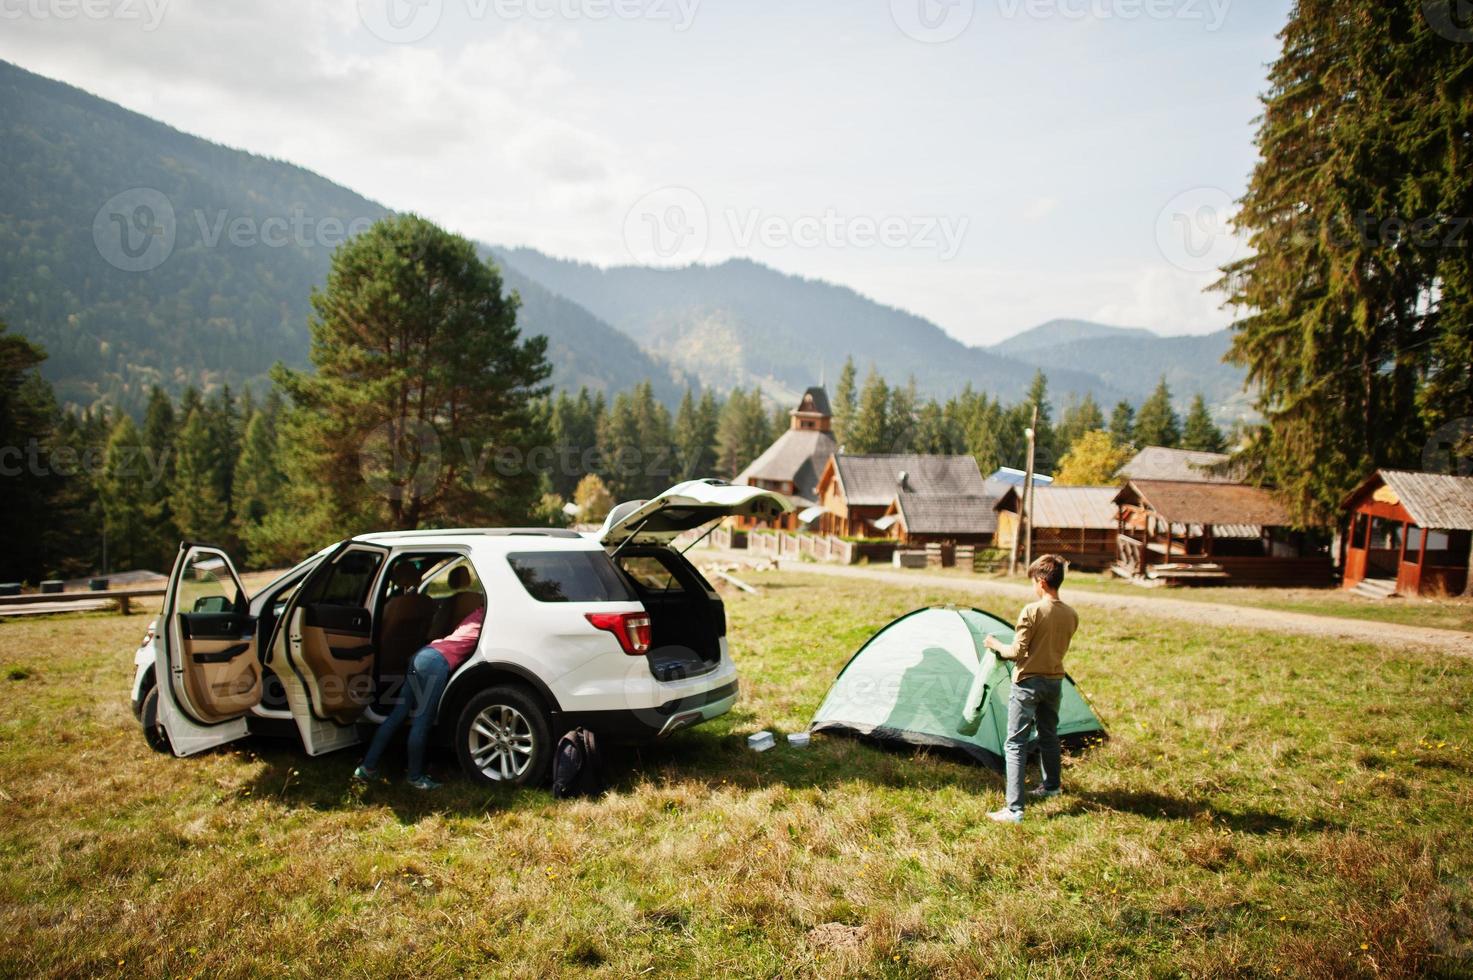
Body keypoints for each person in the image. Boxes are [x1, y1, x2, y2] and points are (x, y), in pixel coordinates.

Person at [983, 554, 1078, 823]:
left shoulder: (1032, 611)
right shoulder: (1071, 614)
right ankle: (1052, 786)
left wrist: (994, 644)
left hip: (1027, 684)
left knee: (1015, 743)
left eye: (1033, 582)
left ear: (1041, 582)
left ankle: (1014, 809)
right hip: (1055, 682)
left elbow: (1016, 651)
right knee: (1049, 735)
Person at [354, 601, 485, 790]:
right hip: (436, 663)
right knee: (422, 721)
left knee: (397, 715)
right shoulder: (486, 619)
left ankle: (367, 767)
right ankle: (415, 777)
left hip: (424, 654)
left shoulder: (474, 613)